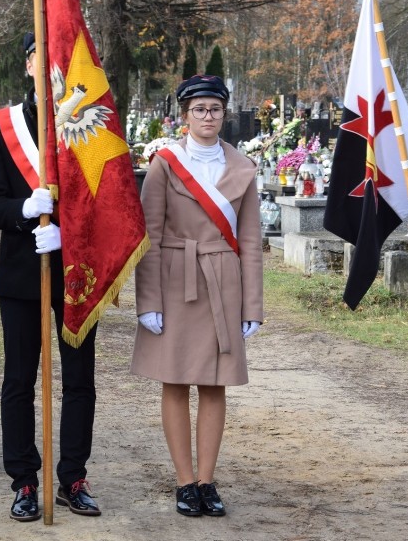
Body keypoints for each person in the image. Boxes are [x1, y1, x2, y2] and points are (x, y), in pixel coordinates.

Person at [131, 74, 264, 517]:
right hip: (175, 277)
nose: (208, 117)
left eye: (215, 109)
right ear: (185, 115)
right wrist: (147, 301)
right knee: (175, 378)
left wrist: (252, 306)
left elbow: (249, 241)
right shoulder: (165, 164)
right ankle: (184, 481)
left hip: (223, 280)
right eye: (199, 109)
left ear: (224, 114)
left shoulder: (243, 167)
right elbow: (148, 234)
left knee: (214, 381)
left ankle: (207, 481)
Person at [0, 33, 100, 522]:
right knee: (19, 379)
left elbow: (102, 202)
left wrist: (68, 232)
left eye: (57, 59)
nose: (48, 67)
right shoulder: (4, 125)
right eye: (39, 58)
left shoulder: (88, 125)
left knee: (79, 380)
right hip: (20, 270)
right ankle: (25, 481)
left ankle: (72, 475)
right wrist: (26, 210)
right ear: (29, 66)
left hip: (77, 272)